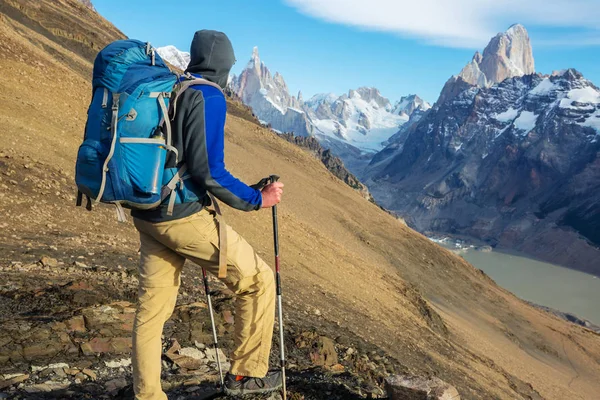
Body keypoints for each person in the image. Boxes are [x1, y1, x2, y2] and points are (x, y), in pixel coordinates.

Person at [130, 30, 284, 400]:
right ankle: (246, 376)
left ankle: (147, 395)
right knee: (259, 280)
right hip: (182, 217)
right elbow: (209, 171)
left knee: (152, 311)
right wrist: (256, 199)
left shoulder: (175, 86)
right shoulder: (208, 94)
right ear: (225, 65)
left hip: (149, 212)